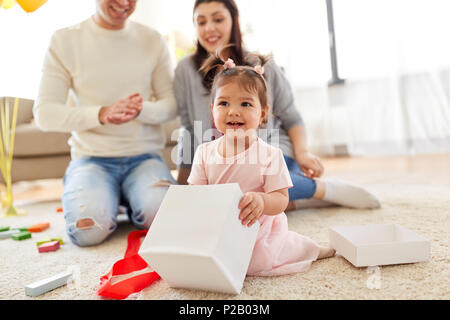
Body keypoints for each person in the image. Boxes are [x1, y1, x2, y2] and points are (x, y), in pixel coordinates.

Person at [175, 0, 381, 211]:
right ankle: (298, 201)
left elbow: (292, 117)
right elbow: (188, 129)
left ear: (234, 21)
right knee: (232, 201)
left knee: (255, 190)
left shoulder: (261, 67)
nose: (209, 28)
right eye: (201, 22)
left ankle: (321, 189)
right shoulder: (184, 70)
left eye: (218, 19)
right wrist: (182, 186)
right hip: (219, 159)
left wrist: (302, 153)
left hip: (269, 151)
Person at [33, 0, 177, 247]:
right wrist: (101, 114)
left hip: (144, 158)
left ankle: (128, 199)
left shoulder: (152, 40)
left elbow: (172, 104)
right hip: (92, 160)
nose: (124, 3)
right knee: (88, 232)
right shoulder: (64, 41)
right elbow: (45, 113)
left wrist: (139, 109)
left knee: (167, 220)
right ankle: (103, 195)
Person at [188, 53, 335, 276]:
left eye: (245, 104)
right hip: (219, 228)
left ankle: (308, 248)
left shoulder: (269, 155)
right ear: (212, 110)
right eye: (224, 103)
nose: (234, 111)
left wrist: (261, 200)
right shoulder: (204, 152)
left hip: (256, 229)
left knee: (257, 261)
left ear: (262, 113)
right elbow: (196, 195)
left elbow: (281, 200)